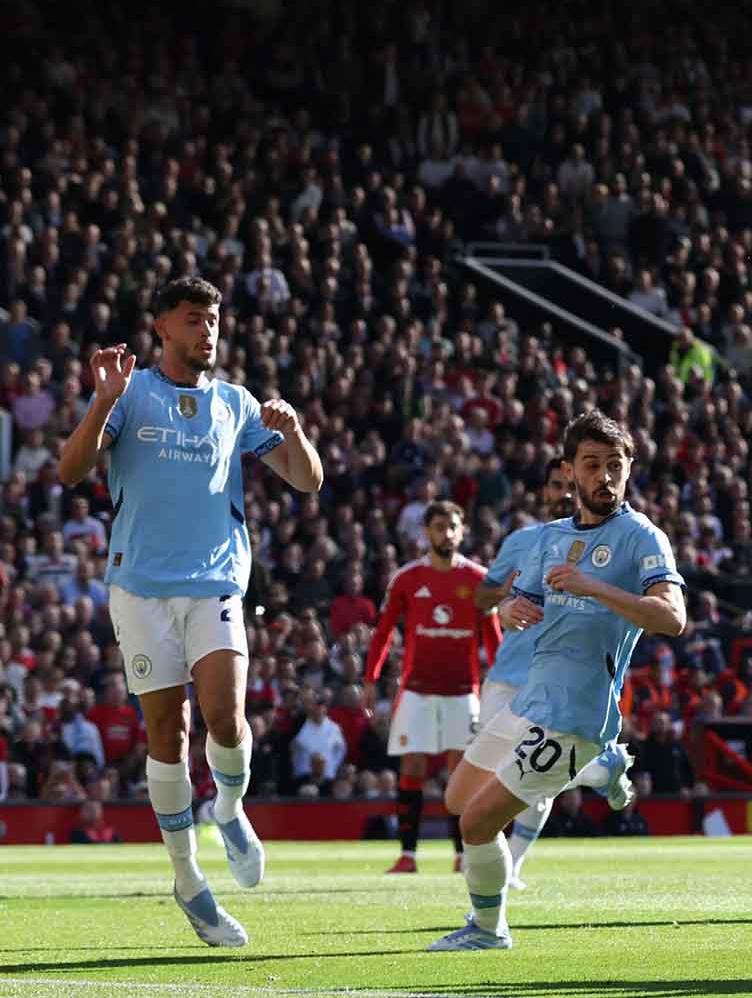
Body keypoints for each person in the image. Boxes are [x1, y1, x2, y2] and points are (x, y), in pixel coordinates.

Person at [56, 275, 322, 948]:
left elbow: (308, 479)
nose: (207, 330)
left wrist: (296, 433)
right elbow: (70, 470)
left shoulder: (234, 402)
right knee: (167, 735)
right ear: (162, 327)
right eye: (194, 319)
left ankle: (229, 809)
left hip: (216, 582)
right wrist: (100, 401)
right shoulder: (130, 392)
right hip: (140, 586)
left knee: (226, 715)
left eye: (213, 319)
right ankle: (188, 880)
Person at [429, 410, 686, 952]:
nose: (604, 477)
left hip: (576, 713)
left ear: (629, 468)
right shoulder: (551, 537)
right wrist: (510, 614)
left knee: (475, 825)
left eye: (614, 465)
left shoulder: (642, 537)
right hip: (529, 701)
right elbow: (522, 603)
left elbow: (672, 618)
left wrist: (597, 588)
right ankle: (602, 768)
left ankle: (487, 929)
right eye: (592, 465)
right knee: (456, 798)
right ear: (570, 471)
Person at [470, 455, 633, 889]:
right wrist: (510, 596)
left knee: (531, 771)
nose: (563, 492)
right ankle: (599, 770)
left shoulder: (612, 544)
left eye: (569, 484)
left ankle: (513, 869)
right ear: (543, 491)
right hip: (508, 673)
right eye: (555, 484)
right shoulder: (523, 540)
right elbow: (481, 599)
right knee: (494, 768)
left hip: (558, 678)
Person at [366, 500, 502, 874]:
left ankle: (463, 855)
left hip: (463, 692)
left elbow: (493, 639)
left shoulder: (478, 579)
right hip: (417, 691)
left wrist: (506, 681)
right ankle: (408, 856)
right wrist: (370, 678)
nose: (446, 533)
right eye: (438, 526)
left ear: (463, 531)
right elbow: (383, 632)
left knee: (461, 773)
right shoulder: (407, 579)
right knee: (412, 768)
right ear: (426, 531)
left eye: (452, 526)